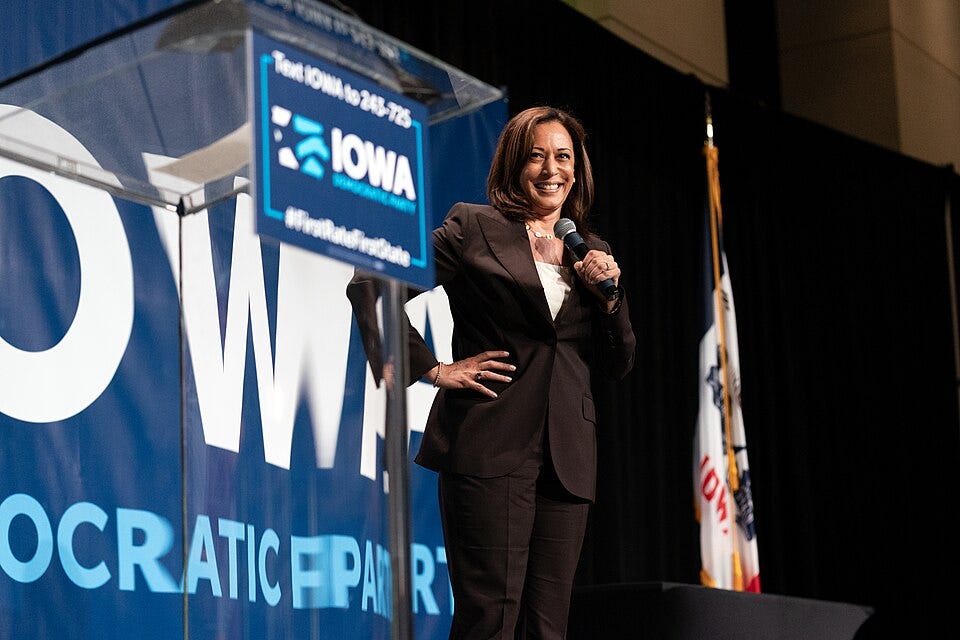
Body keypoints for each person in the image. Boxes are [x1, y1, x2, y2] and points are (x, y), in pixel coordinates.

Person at [348, 105, 636, 639]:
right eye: (536, 156)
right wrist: (432, 368)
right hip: (489, 443)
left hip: (567, 458)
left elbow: (618, 362)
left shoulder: (592, 252)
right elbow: (373, 283)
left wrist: (610, 302)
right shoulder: (474, 228)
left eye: (563, 156)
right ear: (512, 165)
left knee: (547, 629)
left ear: (579, 168)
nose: (552, 169)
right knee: (490, 620)